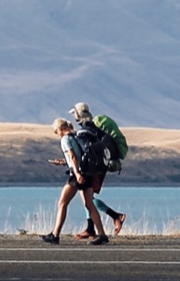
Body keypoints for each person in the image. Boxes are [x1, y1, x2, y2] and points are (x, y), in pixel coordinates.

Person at [43, 117, 108, 245]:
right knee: (89, 204)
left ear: (61, 129)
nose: (56, 134)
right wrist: (63, 163)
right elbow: (77, 157)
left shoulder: (65, 139)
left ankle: (55, 235)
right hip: (88, 173)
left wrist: (77, 173)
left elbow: (73, 156)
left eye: (56, 131)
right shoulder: (76, 137)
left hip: (77, 175)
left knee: (62, 203)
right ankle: (102, 234)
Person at [71, 102, 128, 236]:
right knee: (88, 196)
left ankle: (115, 216)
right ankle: (91, 228)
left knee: (87, 197)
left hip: (95, 166)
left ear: (78, 115)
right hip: (101, 164)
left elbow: (89, 150)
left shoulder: (88, 129)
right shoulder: (95, 127)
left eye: (75, 114)